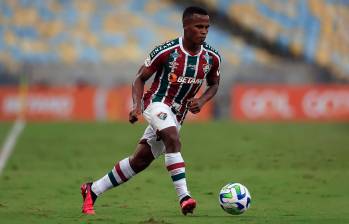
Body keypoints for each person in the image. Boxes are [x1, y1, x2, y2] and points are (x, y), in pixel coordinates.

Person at [81, 6, 221, 216]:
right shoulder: (166, 51)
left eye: (206, 27)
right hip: (156, 103)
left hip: (178, 114)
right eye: (198, 27)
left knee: (140, 161)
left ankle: (93, 190)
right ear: (186, 27)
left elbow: (214, 84)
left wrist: (202, 100)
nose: (203, 31)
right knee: (172, 139)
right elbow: (140, 78)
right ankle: (184, 197)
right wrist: (137, 105)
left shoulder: (211, 57)